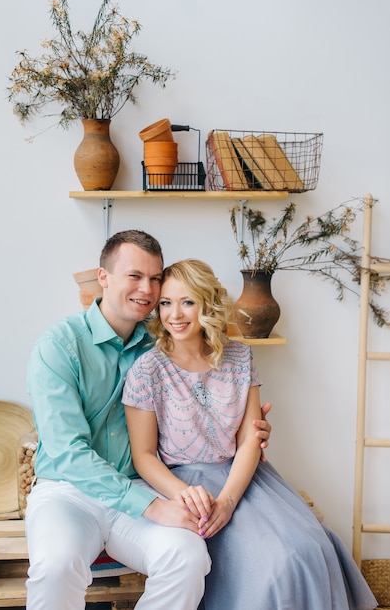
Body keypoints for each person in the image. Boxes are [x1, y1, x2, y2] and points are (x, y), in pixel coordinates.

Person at [25, 230, 272, 610]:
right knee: (56, 566)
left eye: (155, 278)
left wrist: (245, 429)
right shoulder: (59, 346)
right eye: (135, 276)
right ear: (103, 277)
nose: (148, 288)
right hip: (69, 492)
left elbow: (209, 392)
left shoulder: (161, 340)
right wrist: (152, 507)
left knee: (188, 558)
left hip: (139, 485)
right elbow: (67, 451)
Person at [122, 258, 377, 610]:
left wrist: (227, 501)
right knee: (270, 566)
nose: (175, 315)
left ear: (207, 304)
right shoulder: (147, 369)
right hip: (183, 487)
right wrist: (189, 497)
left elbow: (249, 440)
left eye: (187, 302)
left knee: (310, 548)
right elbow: (144, 456)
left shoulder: (240, 356)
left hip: (245, 478)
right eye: (166, 303)